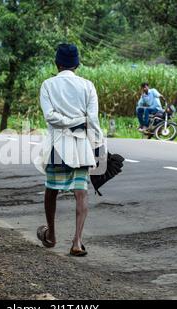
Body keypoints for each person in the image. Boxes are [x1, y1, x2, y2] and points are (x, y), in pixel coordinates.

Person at [37, 43, 104, 257]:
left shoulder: (47, 85)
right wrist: (99, 143)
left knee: (51, 190)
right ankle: (77, 241)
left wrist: (67, 121)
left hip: (58, 144)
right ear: (77, 64)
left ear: (56, 63)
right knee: (81, 193)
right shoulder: (88, 85)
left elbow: (50, 117)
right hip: (81, 145)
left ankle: (52, 235)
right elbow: (92, 119)